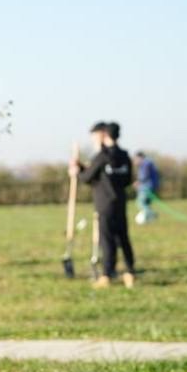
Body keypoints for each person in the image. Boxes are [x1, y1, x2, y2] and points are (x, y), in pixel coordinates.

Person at [70, 122, 135, 288]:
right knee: (123, 238)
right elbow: (126, 179)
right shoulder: (124, 156)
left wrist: (77, 171)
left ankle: (107, 274)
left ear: (105, 135)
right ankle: (130, 271)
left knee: (107, 240)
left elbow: (87, 177)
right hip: (120, 202)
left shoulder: (102, 156)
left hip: (104, 204)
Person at [133, 151, 159, 224]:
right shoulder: (149, 163)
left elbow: (144, 176)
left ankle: (152, 214)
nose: (135, 161)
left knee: (140, 202)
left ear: (140, 157)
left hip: (146, 187)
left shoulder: (145, 164)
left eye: (135, 159)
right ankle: (148, 220)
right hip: (152, 186)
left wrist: (137, 182)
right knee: (147, 204)